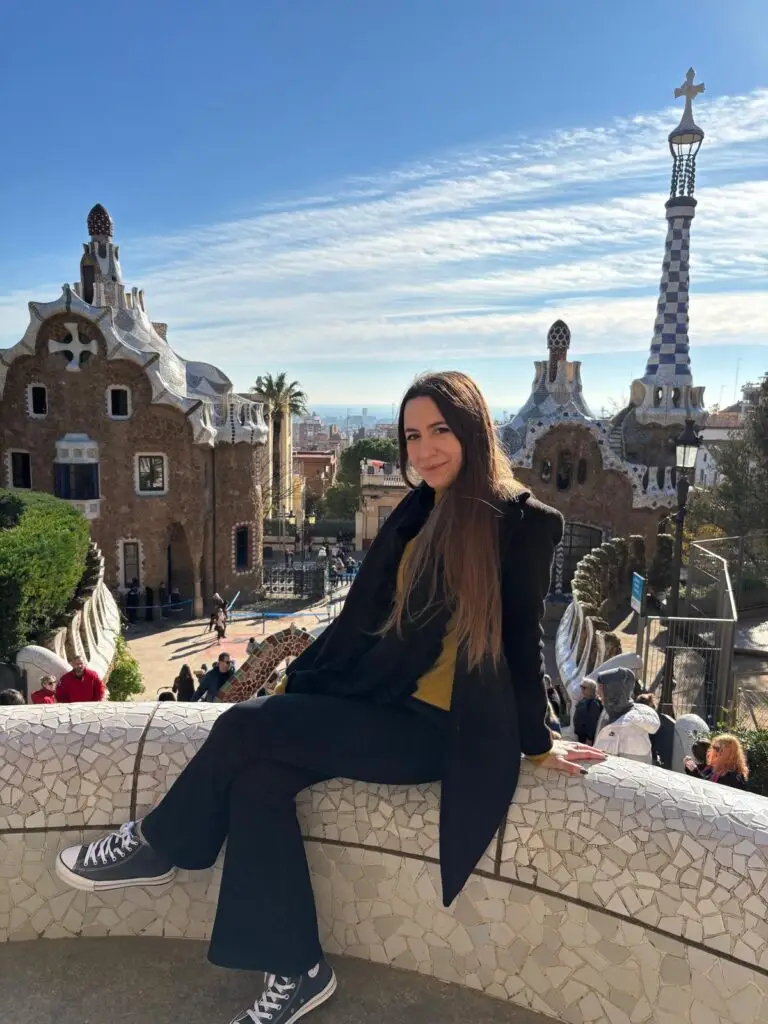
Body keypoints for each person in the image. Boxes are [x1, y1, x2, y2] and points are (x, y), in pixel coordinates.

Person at [54, 371, 605, 1024]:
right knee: (257, 780)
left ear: (473, 431)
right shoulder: (418, 508)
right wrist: (305, 684)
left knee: (241, 729)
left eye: (439, 432)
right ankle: (298, 971)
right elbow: (362, 622)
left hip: (438, 730)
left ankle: (158, 843)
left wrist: (538, 743)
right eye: (412, 436)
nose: (424, 449)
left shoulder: (523, 523)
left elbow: (519, 641)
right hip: (376, 698)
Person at [593, 667, 659, 763]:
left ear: (613, 692)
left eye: (602, 689)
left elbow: (633, 769)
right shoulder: (608, 713)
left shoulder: (634, 728)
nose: (597, 694)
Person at [573, 679, 603, 745]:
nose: (582, 690)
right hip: (581, 736)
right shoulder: (585, 699)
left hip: (587, 739)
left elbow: (592, 722)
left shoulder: (594, 703)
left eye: (584, 688)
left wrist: (590, 738)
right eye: (581, 687)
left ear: (591, 689)